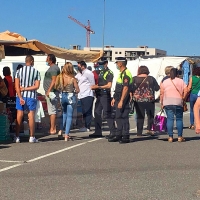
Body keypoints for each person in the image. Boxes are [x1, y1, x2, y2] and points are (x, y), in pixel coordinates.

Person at [14, 55, 41, 143]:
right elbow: (37, 86)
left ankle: (17, 136)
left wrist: (20, 96)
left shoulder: (18, 71)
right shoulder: (36, 72)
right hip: (31, 96)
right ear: (32, 61)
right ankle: (32, 136)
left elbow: (16, 86)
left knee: (19, 115)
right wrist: (26, 88)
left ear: (26, 61)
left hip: (20, 95)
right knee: (31, 116)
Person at [108, 57, 132, 143]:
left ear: (120, 63)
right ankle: (119, 134)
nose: (117, 65)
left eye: (117, 63)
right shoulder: (120, 73)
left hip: (124, 99)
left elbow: (125, 88)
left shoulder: (126, 73)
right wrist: (114, 98)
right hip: (118, 97)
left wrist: (121, 100)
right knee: (118, 116)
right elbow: (118, 88)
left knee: (124, 117)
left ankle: (125, 136)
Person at [160, 68, 187, 142]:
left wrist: (162, 103)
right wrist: (183, 97)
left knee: (170, 119)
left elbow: (162, 93)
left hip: (167, 102)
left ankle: (170, 137)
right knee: (179, 119)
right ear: (177, 74)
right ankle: (179, 136)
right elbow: (186, 90)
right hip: (178, 102)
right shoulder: (181, 81)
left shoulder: (165, 82)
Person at [90, 59, 115, 138]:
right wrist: (95, 87)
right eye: (99, 64)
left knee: (107, 113)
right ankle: (98, 131)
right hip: (99, 95)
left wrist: (98, 87)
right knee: (97, 112)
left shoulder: (109, 72)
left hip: (105, 95)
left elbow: (109, 85)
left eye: (102, 64)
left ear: (106, 63)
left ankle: (113, 132)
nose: (100, 65)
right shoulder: (101, 72)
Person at [55, 62, 79, 141]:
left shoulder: (60, 77)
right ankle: (66, 135)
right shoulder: (73, 78)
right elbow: (77, 89)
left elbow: (57, 87)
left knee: (64, 113)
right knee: (69, 116)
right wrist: (75, 90)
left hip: (63, 96)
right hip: (70, 97)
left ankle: (60, 130)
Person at [132, 65, 160, 136]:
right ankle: (149, 129)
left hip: (138, 100)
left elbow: (130, 88)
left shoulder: (134, 79)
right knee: (150, 115)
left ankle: (139, 132)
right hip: (149, 100)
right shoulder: (151, 79)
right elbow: (157, 88)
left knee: (140, 116)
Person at [43, 54, 60, 134]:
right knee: (52, 110)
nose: (46, 60)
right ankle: (53, 127)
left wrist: (48, 91)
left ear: (50, 60)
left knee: (52, 111)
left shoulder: (53, 68)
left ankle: (52, 129)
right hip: (51, 92)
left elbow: (54, 80)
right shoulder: (52, 68)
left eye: (47, 59)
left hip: (52, 92)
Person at [76, 61, 95, 132]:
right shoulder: (79, 74)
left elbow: (92, 84)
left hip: (88, 94)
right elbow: (75, 79)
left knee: (87, 111)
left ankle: (87, 126)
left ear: (83, 66)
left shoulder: (89, 73)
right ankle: (85, 125)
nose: (78, 67)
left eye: (79, 66)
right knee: (83, 111)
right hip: (81, 95)